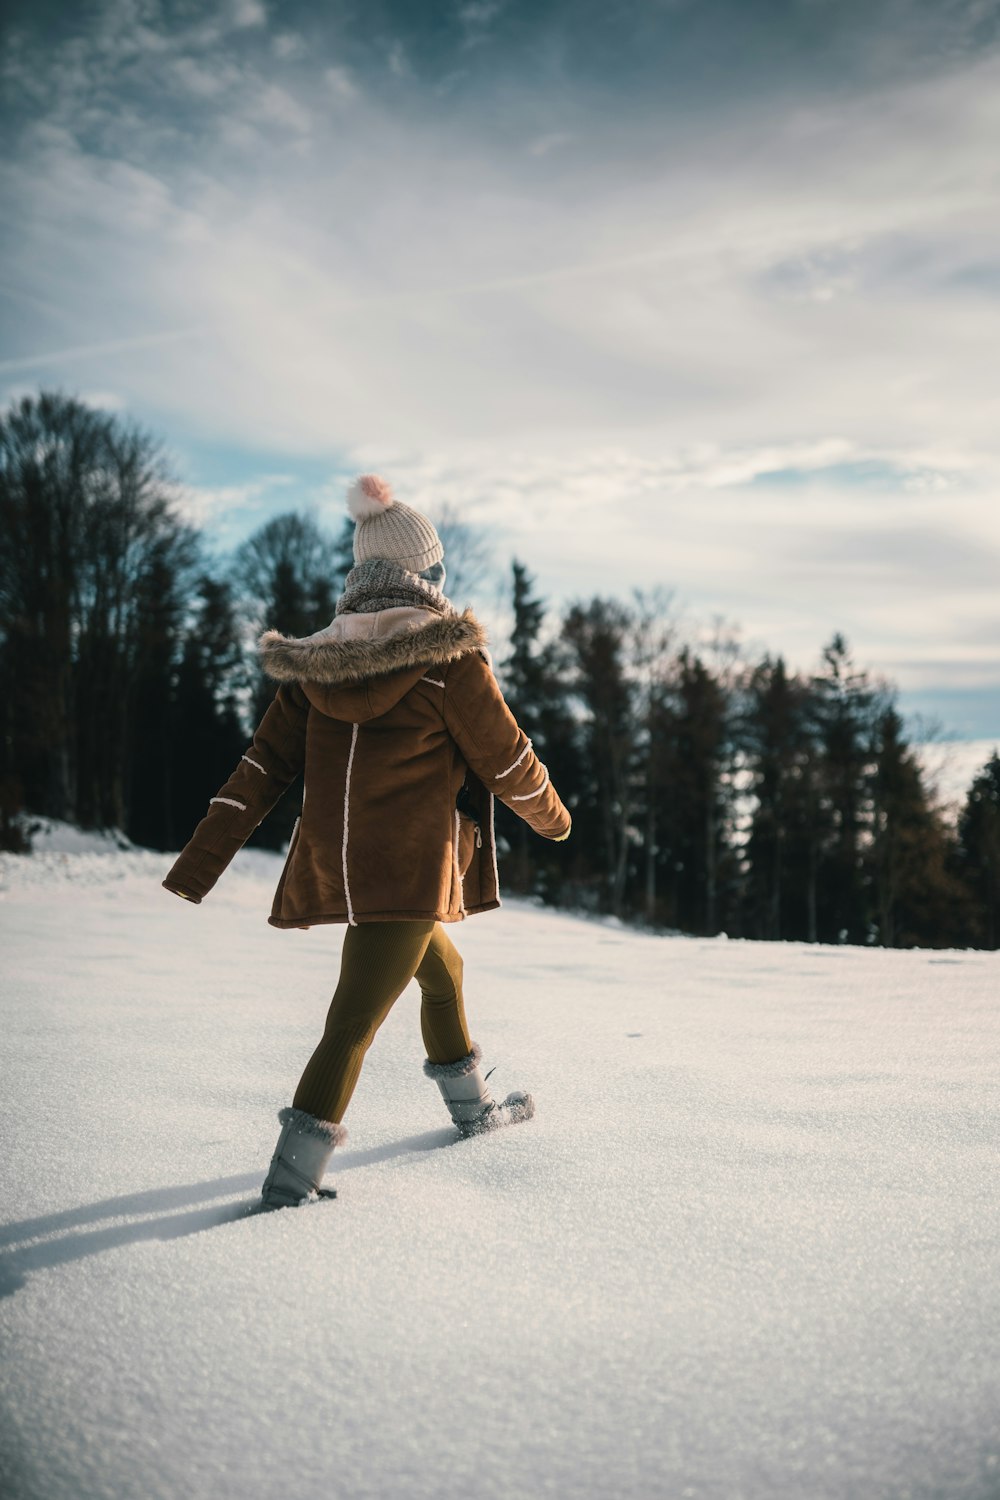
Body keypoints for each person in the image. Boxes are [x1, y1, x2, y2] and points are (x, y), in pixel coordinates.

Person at [163, 473, 571, 1209]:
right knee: (351, 1022)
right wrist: (556, 819)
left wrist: (199, 864)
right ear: (424, 576)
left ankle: (474, 1114)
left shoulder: (313, 665)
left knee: (443, 975)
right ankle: (290, 1183)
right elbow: (507, 758)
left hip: (345, 869)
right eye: (438, 569)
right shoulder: (449, 661)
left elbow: (258, 771)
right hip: (411, 873)